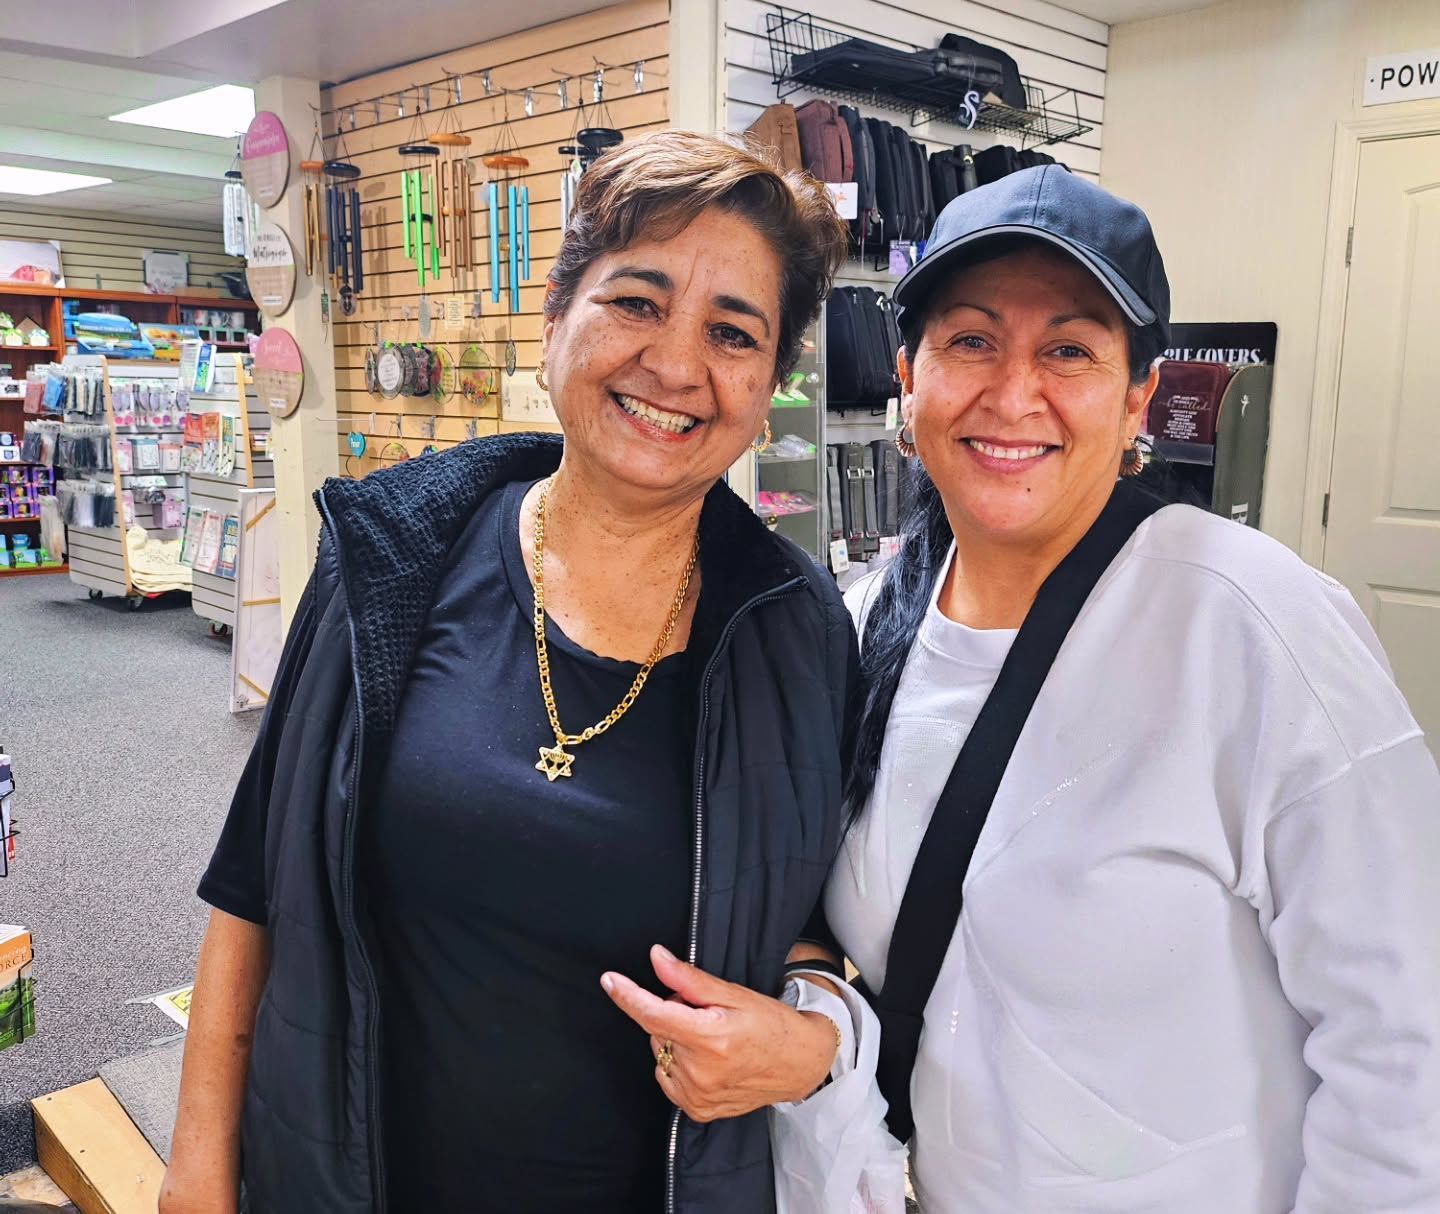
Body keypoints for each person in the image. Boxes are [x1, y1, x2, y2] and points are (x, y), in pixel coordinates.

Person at [158, 130, 858, 1214]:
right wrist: (195, 1180)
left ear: (769, 384)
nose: (675, 364)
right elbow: (256, 883)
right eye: (635, 301)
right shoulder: (387, 562)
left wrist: (811, 1035)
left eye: (732, 332)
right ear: (555, 319)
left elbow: (817, 920)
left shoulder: (799, 636)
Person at [791, 166, 1440, 1211]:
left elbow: (1409, 1045)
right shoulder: (870, 621)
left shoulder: (1254, 626)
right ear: (909, 374)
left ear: (1139, 391)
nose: (1013, 393)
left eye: (1069, 350)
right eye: (970, 341)